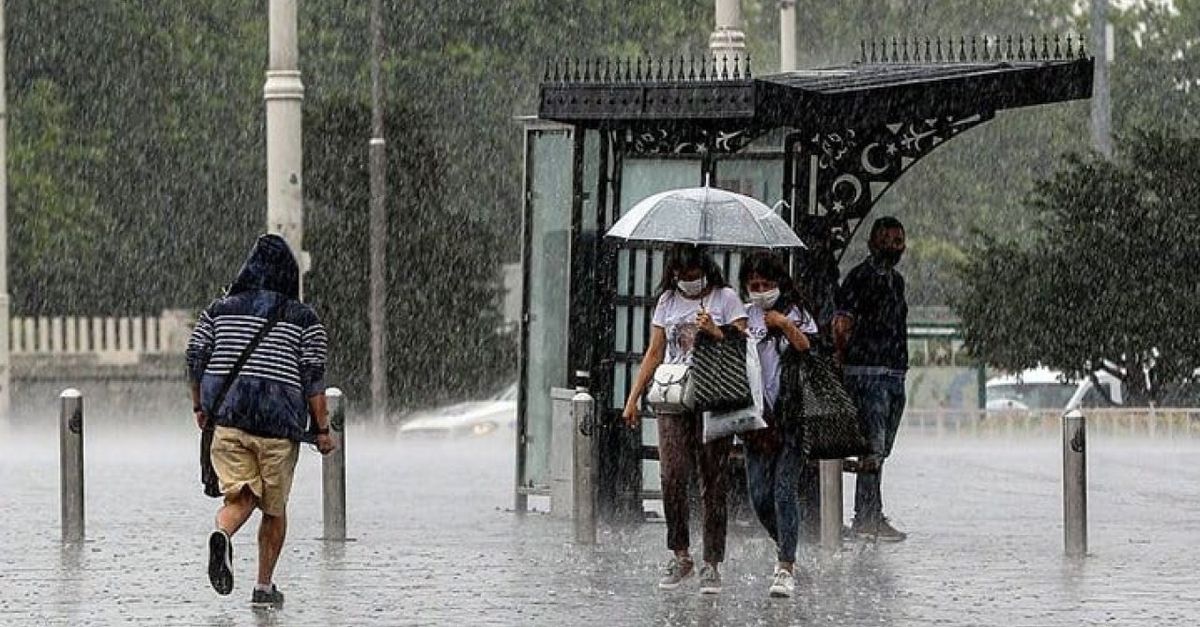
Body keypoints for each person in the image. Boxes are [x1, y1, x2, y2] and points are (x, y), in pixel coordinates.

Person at [186, 233, 336, 608]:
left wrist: (200, 407)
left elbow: (195, 359)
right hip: (278, 428)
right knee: (274, 508)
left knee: (242, 495)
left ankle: (222, 532)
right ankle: (264, 588)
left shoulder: (218, 311)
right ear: (291, 275)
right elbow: (313, 379)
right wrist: (322, 431)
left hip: (229, 421)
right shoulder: (305, 320)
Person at [622, 244, 747, 595]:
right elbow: (655, 351)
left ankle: (712, 561)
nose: (688, 282)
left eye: (693, 275)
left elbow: (743, 346)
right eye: (681, 276)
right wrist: (633, 398)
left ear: (704, 270)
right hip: (674, 397)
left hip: (713, 396)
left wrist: (715, 331)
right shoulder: (667, 302)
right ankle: (680, 553)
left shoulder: (725, 299)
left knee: (713, 479)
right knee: (672, 474)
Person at [738, 252, 817, 598]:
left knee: (784, 489)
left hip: (792, 417)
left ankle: (786, 565)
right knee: (759, 496)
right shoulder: (743, 314)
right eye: (754, 286)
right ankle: (786, 543)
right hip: (756, 420)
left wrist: (783, 323)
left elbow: (808, 347)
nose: (760, 291)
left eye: (766, 285)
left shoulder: (796, 311)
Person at [832, 216, 909, 542]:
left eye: (898, 240)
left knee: (881, 448)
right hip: (867, 374)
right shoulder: (859, 279)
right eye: (887, 239)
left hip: (893, 373)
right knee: (871, 447)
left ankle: (870, 512)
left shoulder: (896, 281)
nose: (894, 246)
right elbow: (842, 324)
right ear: (872, 243)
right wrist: (842, 360)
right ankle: (866, 516)